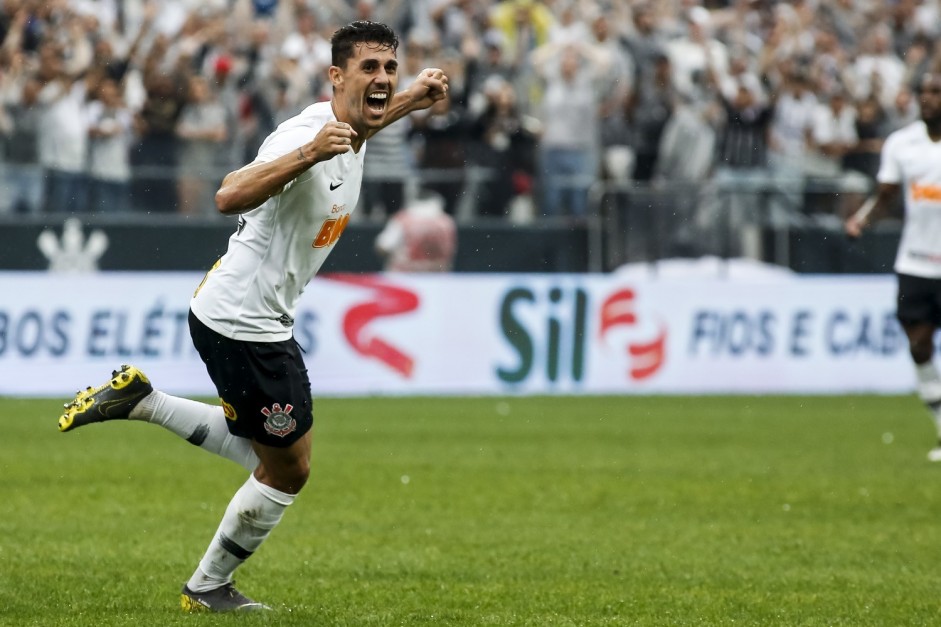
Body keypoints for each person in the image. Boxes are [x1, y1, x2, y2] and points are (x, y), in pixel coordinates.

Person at [57, 21, 449, 612]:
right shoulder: (306, 134)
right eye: (370, 68)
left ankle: (141, 401)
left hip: (250, 317)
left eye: (390, 69)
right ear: (336, 77)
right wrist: (306, 153)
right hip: (244, 325)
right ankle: (206, 588)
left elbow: (363, 127)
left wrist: (412, 100)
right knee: (289, 469)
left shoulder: (352, 125)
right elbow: (227, 194)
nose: (383, 79)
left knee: (276, 452)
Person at [844, 71, 941, 462]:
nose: (929, 98)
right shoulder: (902, 144)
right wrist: (862, 220)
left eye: (936, 92)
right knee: (918, 344)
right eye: (925, 92)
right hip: (916, 263)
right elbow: (885, 194)